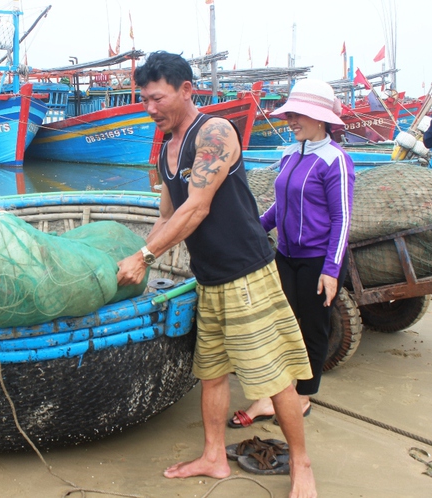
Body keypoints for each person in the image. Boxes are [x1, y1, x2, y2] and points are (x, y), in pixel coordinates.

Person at [116, 51, 317, 498]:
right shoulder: (165, 147)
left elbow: (197, 206)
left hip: (246, 273)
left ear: (186, 89)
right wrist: (133, 256)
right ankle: (213, 456)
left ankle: (302, 465)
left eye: (158, 99)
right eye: (144, 100)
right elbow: (167, 214)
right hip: (208, 277)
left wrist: (145, 258)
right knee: (211, 372)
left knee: (272, 375)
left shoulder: (215, 131)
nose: (150, 109)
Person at [229, 79, 355, 429]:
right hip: (285, 254)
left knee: (313, 327)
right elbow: (278, 207)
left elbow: (342, 218)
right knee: (278, 324)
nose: (292, 120)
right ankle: (269, 395)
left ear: (320, 119)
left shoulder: (336, 160)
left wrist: (331, 270)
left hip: (319, 260)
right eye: (291, 114)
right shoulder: (288, 153)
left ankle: (302, 396)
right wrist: (253, 228)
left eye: (299, 114)